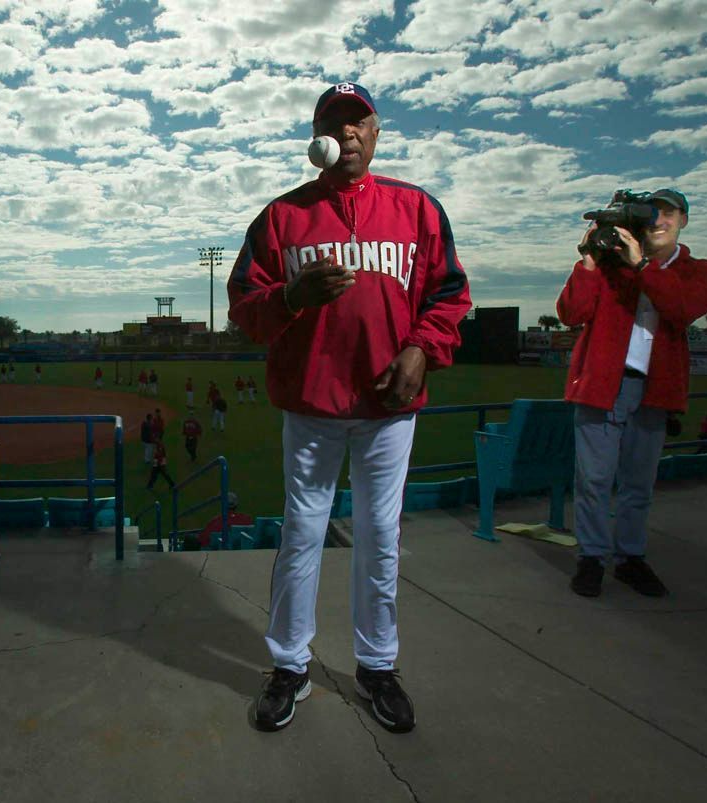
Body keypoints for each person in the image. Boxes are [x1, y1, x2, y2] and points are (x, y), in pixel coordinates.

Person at [227, 81, 471, 734]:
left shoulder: (418, 209)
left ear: (377, 130)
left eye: (359, 120)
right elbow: (245, 312)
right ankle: (288, 664)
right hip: (312, 405)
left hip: (390, 405)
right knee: (302, 534)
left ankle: (378, 664)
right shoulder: (281, 218)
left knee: (380, 535)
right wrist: (290, 296)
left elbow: (450, 294)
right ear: (318, 137)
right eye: (337, 122)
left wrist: (423, 348)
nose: (350, 132)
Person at [558, 187, 707, 599]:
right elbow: (571, 313)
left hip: (654, 390)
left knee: (638, 484)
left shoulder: (698, 270)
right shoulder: (611, 266)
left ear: (684, 219)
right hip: (602, 385)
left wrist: (642, 264)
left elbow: (682, 309)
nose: (659, 221)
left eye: (669, 214)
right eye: (652, 214)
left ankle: (630, 558)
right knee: (593, 479)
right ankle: (592, 558)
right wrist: (590, 260)